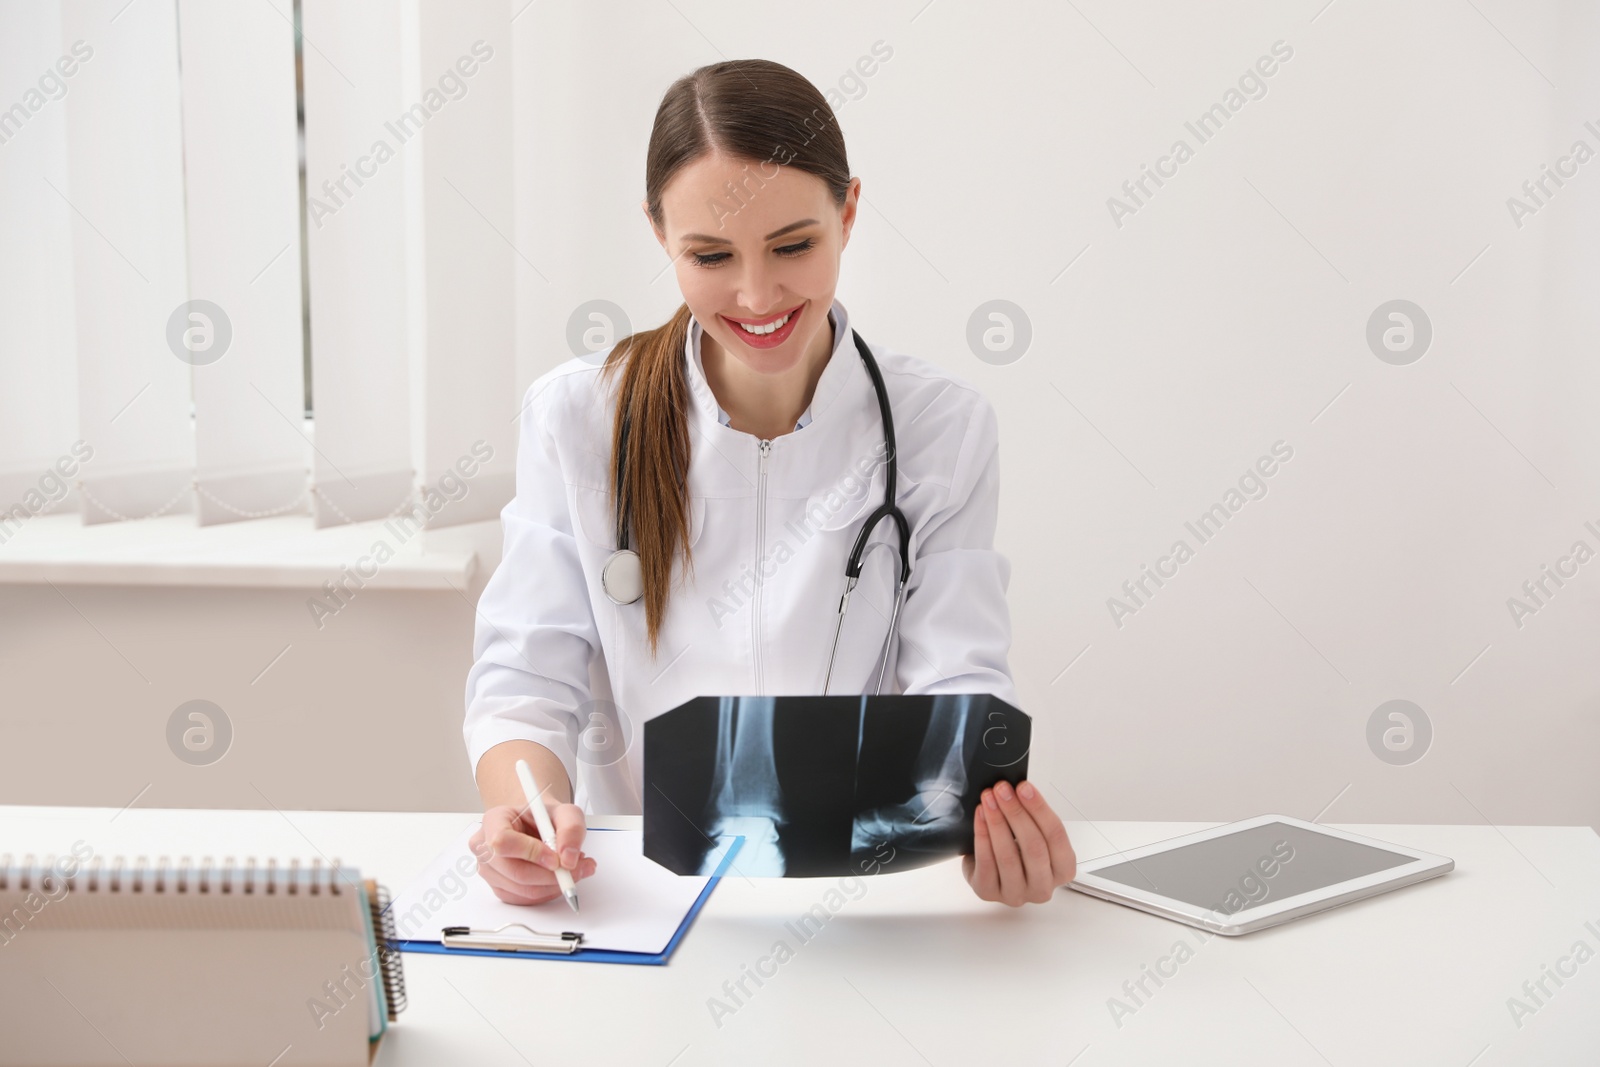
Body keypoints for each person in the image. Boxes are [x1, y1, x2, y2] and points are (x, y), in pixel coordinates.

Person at [464, 58, 1076, 908]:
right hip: (638, 898)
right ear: (657, 233)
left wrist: (988, 823)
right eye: (710, 254)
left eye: (794, 245)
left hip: (863, 901)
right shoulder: (577, 417)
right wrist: (523, 818)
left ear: (848, 211)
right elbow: (526, 681)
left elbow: (957, 689)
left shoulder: (942, 427)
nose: (757, 294)